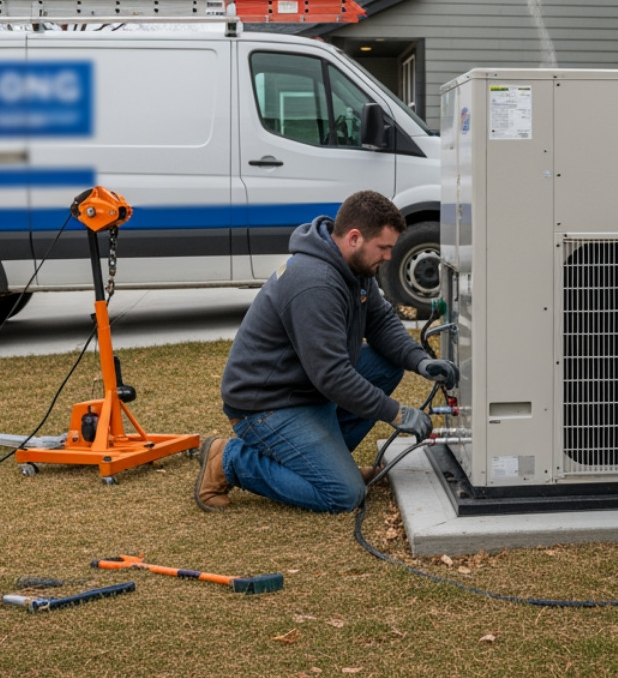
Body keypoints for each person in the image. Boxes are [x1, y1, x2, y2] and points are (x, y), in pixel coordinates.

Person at [195, 190, 457, 512]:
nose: (389, 257)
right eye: (384, 248)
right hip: (267, 405)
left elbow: (381, 322)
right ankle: (228, 460)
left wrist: (420, 362)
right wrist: (396, 413)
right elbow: (332, 375)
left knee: (387, 366)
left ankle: (326, 465)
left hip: (305, 390)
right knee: (344, 495)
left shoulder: (355, 269)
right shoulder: (314, 283)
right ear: (355, 238)